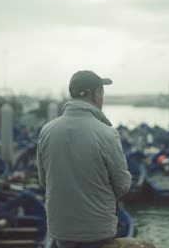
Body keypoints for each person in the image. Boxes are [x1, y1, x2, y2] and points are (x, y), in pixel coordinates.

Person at [37, 70, 132, 248]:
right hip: (97, 231)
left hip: (61, 229)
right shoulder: (107, 133)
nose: (102, 98)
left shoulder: (46, 131)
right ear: (95, 94)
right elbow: (122, 185)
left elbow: (44, 181)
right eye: (102, 92)